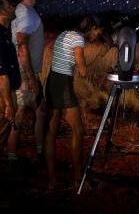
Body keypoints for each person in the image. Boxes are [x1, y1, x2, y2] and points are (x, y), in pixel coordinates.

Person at [45, 16, 103, 190]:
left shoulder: (64, 33)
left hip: (52, 82)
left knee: (51, 132)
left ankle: (52, 181)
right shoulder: (78, 38)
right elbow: (83, 71)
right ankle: (79, 180)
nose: (98, 35)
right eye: (98, 31)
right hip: (63, 85)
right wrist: (100, 55)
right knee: (78, 130)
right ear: (92, 28)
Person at [8, 0, 45, 164]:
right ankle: (11, 157)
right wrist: (30, 77)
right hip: (24, 72)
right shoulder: (26, 13)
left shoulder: (25, 11)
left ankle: (40, 151)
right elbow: (21, 44)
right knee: (20, 113)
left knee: (40, 110)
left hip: (25, 71)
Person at [0, 0, 21, 152]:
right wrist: (8, 104)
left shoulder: (5, 33)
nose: (13, 8)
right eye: (9, 7)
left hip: (8, 90)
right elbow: (2, 74)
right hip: (2, 93)